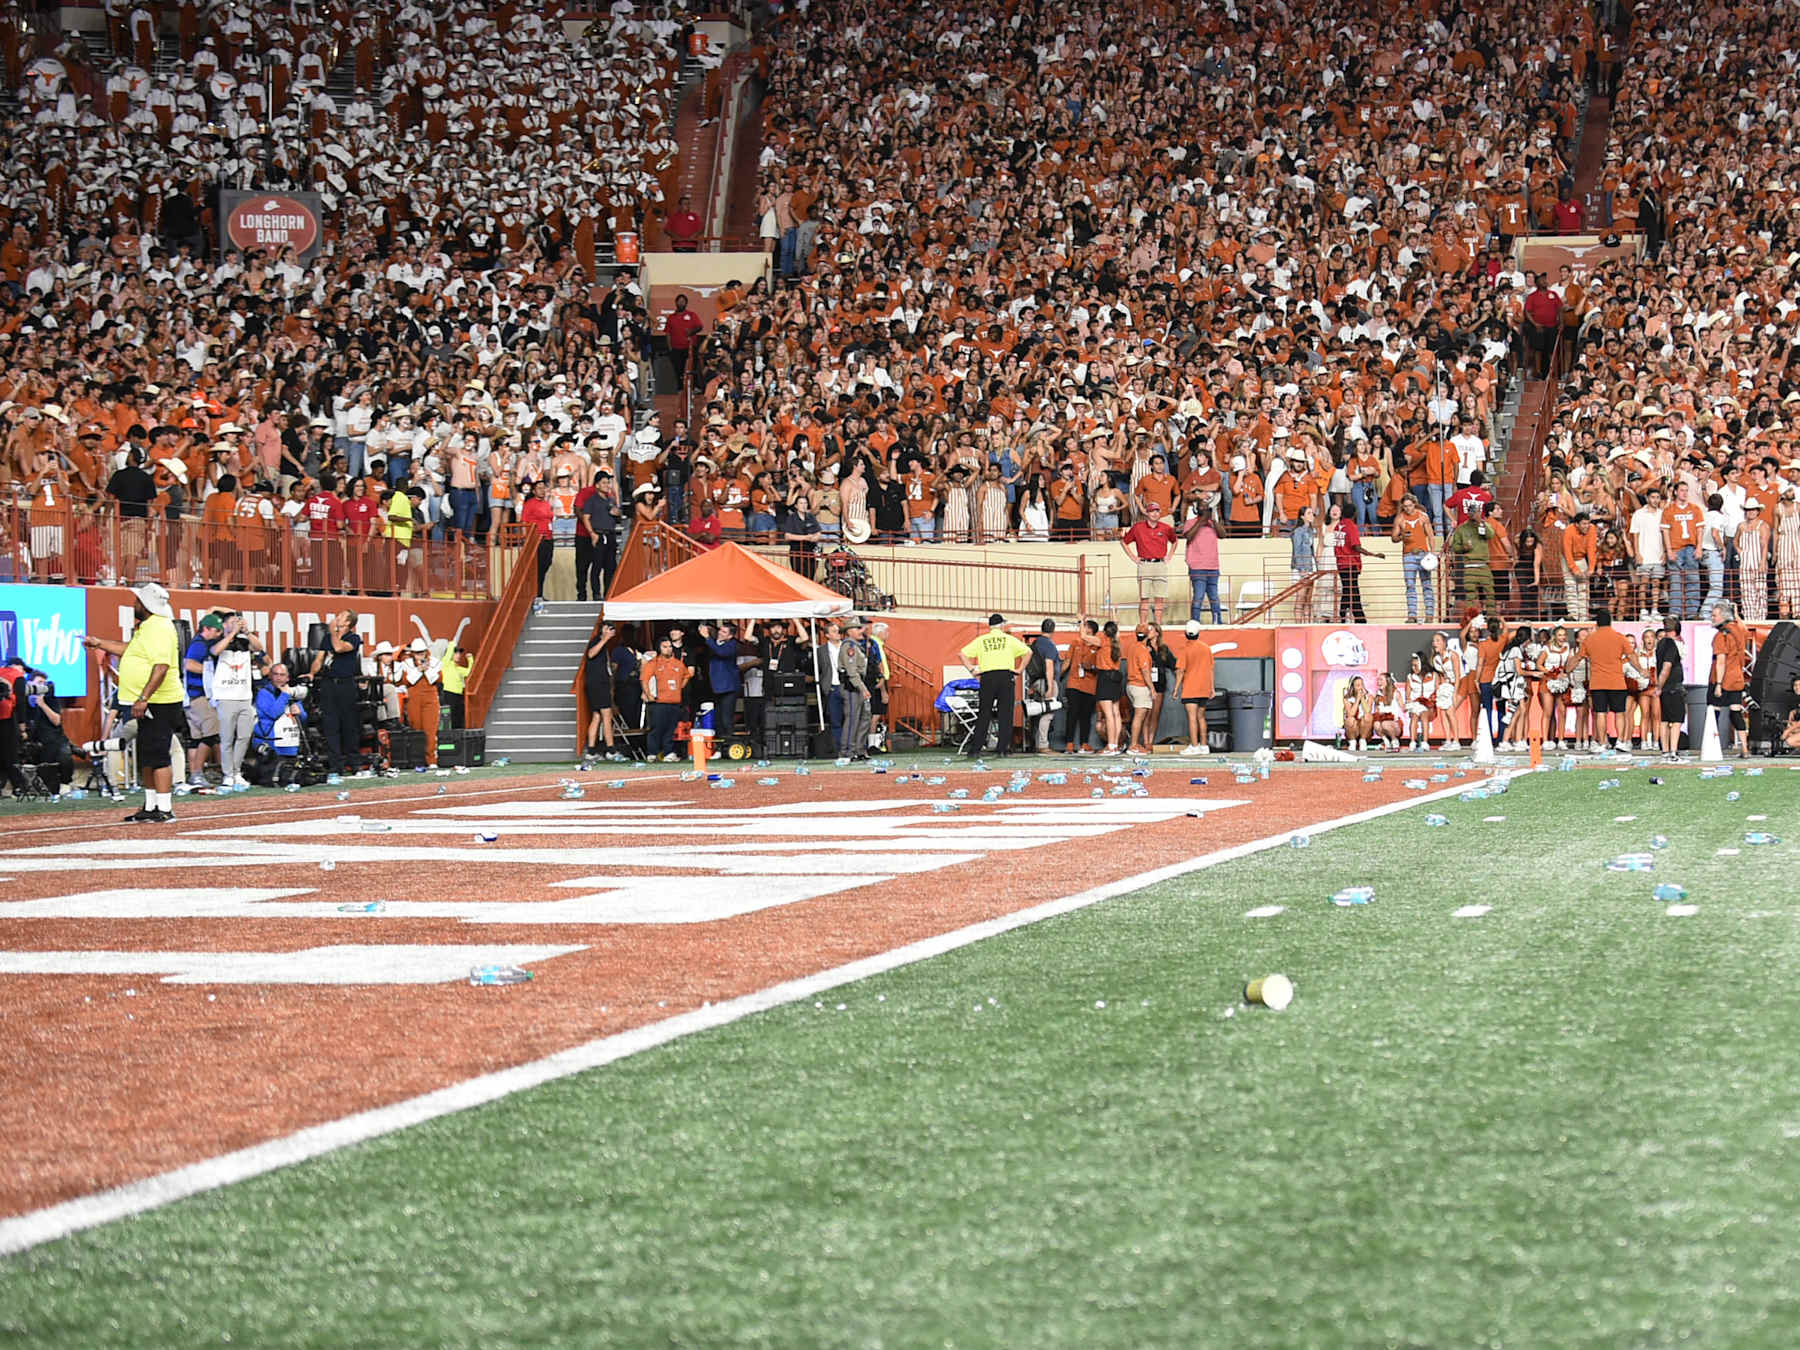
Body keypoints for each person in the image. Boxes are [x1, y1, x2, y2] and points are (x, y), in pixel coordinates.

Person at [81, 583, 184, 822]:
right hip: (149, 701)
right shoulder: (148, 627)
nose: (134, 604)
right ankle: (150, 806)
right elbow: (129, 650)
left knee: (158, 755)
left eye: (138, 601)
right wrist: (99, 643)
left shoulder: (159, 628)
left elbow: (161, 667)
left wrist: (144, 698)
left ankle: (165, 808)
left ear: (146, 605)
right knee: (148, 754)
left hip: (160, 701)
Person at [959, 613, 1031, 757]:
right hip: (1006, 676)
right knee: (1005, 713)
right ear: (1002, 625)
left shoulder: (981, 640)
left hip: (987, 677)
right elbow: (1028, 652)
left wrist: (973, 670)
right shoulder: (1009, 639)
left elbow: (961, 654)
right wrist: (1019, 670)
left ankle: (975, 749)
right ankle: (1002, 749)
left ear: (990, 626)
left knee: (984, 713)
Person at [308, 609, 364, 779]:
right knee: (330, 726)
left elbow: (339, 648)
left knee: (349, 726)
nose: (336, 617)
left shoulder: (353, 638)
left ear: (348, 623)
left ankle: (355, 764)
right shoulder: (327, 638)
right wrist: (312, 673)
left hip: (345, 684)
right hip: (328, 684)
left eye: (341, 616)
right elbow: (319, 658)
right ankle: (335, 766)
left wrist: (333, 632)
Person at [210, 612, 263, 791]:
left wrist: (247, 632)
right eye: (232, 622)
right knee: (226, 738)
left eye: (238, 622)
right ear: (224, 625)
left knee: (244, 736)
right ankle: (227, 775)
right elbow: (215, 651)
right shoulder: (217, 641)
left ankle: (236, 771)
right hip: (225, 697)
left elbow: (259, 647)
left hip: (244, 696)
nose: (236, 625)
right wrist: (232, 633)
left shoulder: (244, 642)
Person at [1573, 608, 1636, 753]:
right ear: (1610, 622)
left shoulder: (1590, 639)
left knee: (1600, 713)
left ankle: (1602, 743)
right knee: (1619, 713)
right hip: (1617, 682)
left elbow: (1578, 657)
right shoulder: (1620, 637)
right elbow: (1632, 657)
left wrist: (1568, 669)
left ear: (1597, 623)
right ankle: (1620, 741)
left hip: (1598, 683)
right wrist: (1642, 670)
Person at [180, 611, 225, 790]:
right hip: (199, 695)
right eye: (216, 630)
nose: (219, 633)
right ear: (206, 629)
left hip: (191, 696)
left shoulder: (199, 642)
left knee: (196, 738)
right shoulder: (199, 644)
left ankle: (195, 774)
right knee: (211, 734)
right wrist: (213, 674)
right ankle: (197, 773)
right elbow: (189, 664)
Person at [250, 663, 309, 785]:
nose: (278, 678)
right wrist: (285, 695)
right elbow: (273, 713)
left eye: (282, 675)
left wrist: (300, 713)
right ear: (270, 676)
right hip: (271, 745)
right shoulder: (264, 694)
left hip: (290, 744)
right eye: (275, 674)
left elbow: (303, 719)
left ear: (287, 678)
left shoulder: (292, 694)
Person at [1121, 500, 1176, 626]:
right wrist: (1133, 557)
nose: (1154, 514)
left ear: (1160, 513)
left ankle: (1158, 625)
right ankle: (1143, 624)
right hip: (1145, 564)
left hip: (1160, 564)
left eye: (1156, 511)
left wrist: (1169, 556)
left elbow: (1175, 541)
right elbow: (1124, 542)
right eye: (1151, 511)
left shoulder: (1166, 528)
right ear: (1147, 513)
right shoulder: (1138, 528)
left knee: (1159, 597)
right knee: (1144, 598)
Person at [1708, 599, 1750, 758]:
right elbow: (1744, 628)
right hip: (1737, 679)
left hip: (1722, 679)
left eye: (1714, 615)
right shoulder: (1738, 629)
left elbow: (1720, 661)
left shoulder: (1721, 636)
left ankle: (1712, 747)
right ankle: (1744, 748)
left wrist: (1718, 684)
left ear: (1723, 617)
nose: (1712, 618)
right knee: (1736, 713)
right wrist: (1736, 614)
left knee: (1714, 713)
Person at [1392, 494, 1438, 623]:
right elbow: (1393, 537)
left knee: (1427, 584)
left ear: (1414, 504)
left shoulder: (1423, 517)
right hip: (1408, 555)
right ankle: (1412, 615)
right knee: (1410, 585)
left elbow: (1430, 535)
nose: (1408, 508)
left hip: (1423, 554)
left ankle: (1429, 615)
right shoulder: (1399, 518)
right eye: (1405, 506)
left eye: (1410, 505)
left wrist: (1432, 552)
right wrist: (1402, 537)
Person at [642, 634, 689, 761]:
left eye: (669, 646)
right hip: (658, 702)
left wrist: (679, 688)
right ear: (659, 648)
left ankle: (668, 753)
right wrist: (649, 695)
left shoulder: (678, 664)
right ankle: (652, 753)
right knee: (656, 728)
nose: (668, 649)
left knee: (671, 729)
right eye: (665, 647)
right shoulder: (653, 663)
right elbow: (644, 680)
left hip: (674, 701)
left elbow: (687, 676)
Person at [583, 620, 625, 761]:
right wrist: (604, 638)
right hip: (597, 684)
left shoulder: (605, 645)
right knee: (607, 715)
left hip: (599, 684)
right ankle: (611, 750)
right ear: (602, 630)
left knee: (597, 716)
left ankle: (591, 750)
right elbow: (590, 654)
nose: (611, 631)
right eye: (609, 628)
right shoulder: (597, 641)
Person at [699, 620, 744, 741]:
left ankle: (729, 742)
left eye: (724, 632)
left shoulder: (733, 645)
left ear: (730, 635)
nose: (720, 633)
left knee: (726, 718)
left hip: (729, 687)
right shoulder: (715, 643)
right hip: (716, 686)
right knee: (718, 718)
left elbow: (722, 652)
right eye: (720, 630)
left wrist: (708, 638)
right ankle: (719, 744)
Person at [399, 638, 442, 767]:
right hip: (414, 698)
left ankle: (431, 760)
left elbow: (436, 679)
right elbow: (408, 681)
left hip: (430, 698)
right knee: (415, 728)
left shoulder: (435, 662)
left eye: (422, 652)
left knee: (430, 729)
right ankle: (417, 760)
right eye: (417, 653)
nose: (420, 655)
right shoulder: (406, 663)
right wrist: (418, 670)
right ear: (412, 653)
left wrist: (426, 669)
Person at [1181, 497, 1224, 624]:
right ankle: (1195, 622)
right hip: (1197, 566)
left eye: (1206, 507)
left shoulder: (1213, 524)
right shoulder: (1190, 522)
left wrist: (1213, 521)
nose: (1204, 509)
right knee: (1198, 596)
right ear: (1196, 509)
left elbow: (1223, 534)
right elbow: (1188, 536)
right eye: (1201, 506)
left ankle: (1217, 621)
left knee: (1214, 597)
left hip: (1213, 566)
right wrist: (1201, 522)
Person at [1178, 621, 1215, 755]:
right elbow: (1211, 669)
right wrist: (1212, 688)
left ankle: (1194, 746)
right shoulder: (1206, 648)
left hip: (1190, 688)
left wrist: (1176, 688)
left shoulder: (1185, 649)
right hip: (1204, 688)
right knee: (1201, 717)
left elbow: (1180, 670)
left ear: (1185, 634)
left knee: (1192, 718)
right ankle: (1204, 746)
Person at [1023, 619, 1060, 754]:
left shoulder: (1036, 643)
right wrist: (1050, 687)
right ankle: (1043, 745)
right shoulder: (1049, 645)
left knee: (1039, 712)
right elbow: (1049, 666)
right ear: (1053, 630)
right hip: (1045, 682)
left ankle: (1036, 743)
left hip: (1036, 681)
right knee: (1048, 713)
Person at [1063, 619, 1099, 754]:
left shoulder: (1097, 646)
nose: (1084, 630)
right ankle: (1069, 744)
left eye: (1087, 628)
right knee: (1072, 714)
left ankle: (1084, 743)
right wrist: (1058, 676)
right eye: (1083, 628)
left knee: (1086, 716)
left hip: (1090, 685)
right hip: (1074, 683)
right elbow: (1067, 660)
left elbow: (1101, 666)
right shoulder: (1076, 643)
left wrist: (1092, 667)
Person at [838, 616, 873, 760]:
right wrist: (863, 689)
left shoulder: (857, 646)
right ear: (849, 631)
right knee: (852, 719)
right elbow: (852, 672)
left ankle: (859, 749)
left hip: (858, 685)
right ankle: (847, 751)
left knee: (865, 717)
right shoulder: (849, 647)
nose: (861, 630)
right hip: (852, 687)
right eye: (857, 628)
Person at [1653, 616, 1686, 760]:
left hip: (1666, 688)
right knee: (1677, 720)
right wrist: (1659, 686)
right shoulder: (1671, 645)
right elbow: (1666, 667)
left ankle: (1665, 750)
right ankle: (1673, 750)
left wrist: (1659, 685)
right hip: (1673, 687)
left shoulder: (1660, 644)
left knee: (1665, 720)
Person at [520, 477, 556, 595]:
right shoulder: (530, 504)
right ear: (534, 491)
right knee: (538, 567)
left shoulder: (546, 504)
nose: (542, 490)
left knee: (546, 563)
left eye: (543, 488)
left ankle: (539, 592)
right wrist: (526, 539)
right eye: (539, 488)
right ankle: (536, 593)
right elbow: (524, 521)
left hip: (548, 538)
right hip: (537, 538)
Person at [441, 642, 473, 730]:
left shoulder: (457, 668)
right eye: (456, 653)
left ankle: (458, 736)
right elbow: (447, 655)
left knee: (458, 717)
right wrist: (452, 644)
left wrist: (470, 660)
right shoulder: (445, 663)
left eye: (459, 653)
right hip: (448, 694)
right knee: (450, 718)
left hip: (458, 695)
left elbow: (468, 672)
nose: (458, 655)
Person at [1340, 675, 1375, 754]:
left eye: (1362, 685)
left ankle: (1363, 741)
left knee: (1368, 716)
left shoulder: (1369, 697)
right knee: (1350, 720)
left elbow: (1367, 710)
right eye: (1358, 685)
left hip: (1364, 729)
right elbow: (1351, 714)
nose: (1360, 687)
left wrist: (1362, 698)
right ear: (1353, 687)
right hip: (1353, 729)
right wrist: (1357, 699)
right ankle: (1352, 742)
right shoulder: (1347, 699)